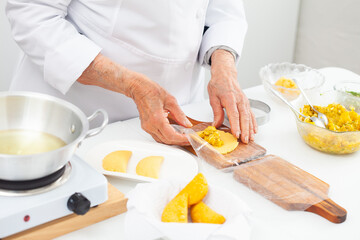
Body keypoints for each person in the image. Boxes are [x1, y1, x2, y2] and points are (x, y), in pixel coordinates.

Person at [6, 0, 257, 145]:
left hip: (179, 117)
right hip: (75, 119)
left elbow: (224, 10)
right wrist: (132, 85)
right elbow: (33, 15)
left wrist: (224, 65)